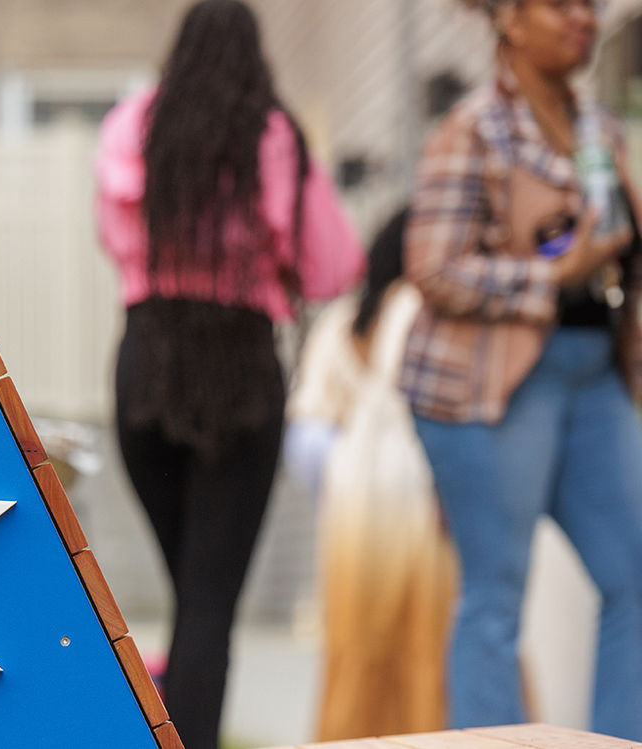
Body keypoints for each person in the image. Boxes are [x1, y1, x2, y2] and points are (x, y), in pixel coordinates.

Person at [94, 2, 364, 746]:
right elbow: (333, 265)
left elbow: (110, 235)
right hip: (241, 366)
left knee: (193, 592)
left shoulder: (132, 124)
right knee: (209, 599)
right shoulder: (272, 133)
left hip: (145, 361)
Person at [404, 0, 642, 737]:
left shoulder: (600, 128)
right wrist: (553, 274)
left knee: (635, 575)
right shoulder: (473, 129)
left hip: (592, 372)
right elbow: (433, 267)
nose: (584, 18)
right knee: (496, 593)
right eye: (561, 4)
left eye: (591, 6)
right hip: (488, 387)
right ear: (508, 19)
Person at [288, 210, 456, 740]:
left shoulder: (340, 322)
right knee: (428, 643)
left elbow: (307, 430)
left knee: (352, 644)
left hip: (351, 497)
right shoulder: (427, 310)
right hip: (420, 489)